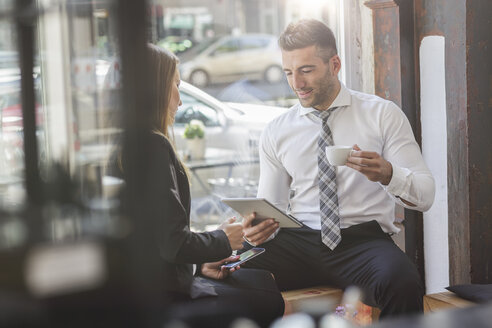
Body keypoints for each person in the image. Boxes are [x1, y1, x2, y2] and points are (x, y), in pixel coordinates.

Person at [240, 19, 435, 318]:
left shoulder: (382, 114)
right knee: (229, 271)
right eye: (289, 73)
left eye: (306, 70)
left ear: (335, 64)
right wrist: (257, 230)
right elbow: (272, 209)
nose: (297, 84)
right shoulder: (277, 130)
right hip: (300, 241)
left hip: (363, 242)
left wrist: (388, 174)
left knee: (403, 282)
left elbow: (425, 196)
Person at [111, 44, 284, 328]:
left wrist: (201, 264)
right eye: (176, 85)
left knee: (259, 279)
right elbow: (173, 243)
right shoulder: (153, 145)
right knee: (267, 294)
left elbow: (159, 238)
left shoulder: (126, 143)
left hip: (149, 285)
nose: (180, 100)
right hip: (163, 295)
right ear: (157, 90)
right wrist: (224, 238)